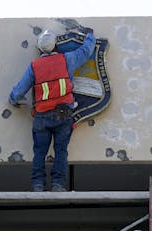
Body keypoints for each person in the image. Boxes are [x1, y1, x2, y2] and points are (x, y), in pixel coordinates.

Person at [9, 28, 96, 192]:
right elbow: (85, 51)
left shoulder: (34, 66)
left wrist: (13, 100)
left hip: (42, 116)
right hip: (63, 114)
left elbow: (20, 90)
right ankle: (58, 184)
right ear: (56, 46)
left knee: (40, 152)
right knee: (61, 151)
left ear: (40, 49)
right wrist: (90, 36)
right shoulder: (66, 60)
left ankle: (37, 185)